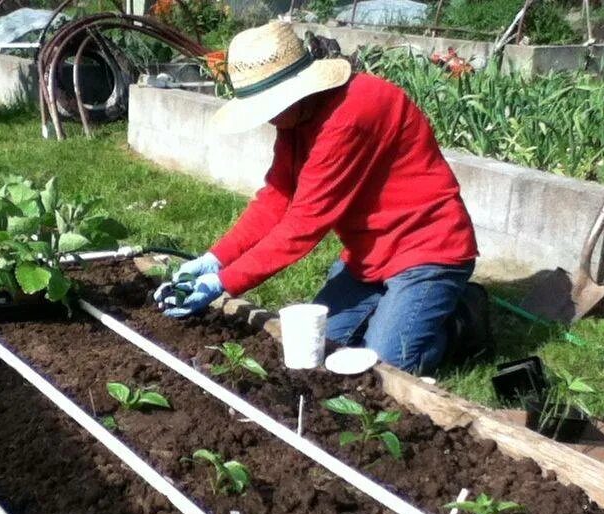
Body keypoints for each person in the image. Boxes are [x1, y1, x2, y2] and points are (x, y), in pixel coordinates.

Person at [155, 21, 482, 374]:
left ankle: (459, 317)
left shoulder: (350, 116)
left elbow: (303, 225)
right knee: (322, 348)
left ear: (297, 90)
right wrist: (215, 259)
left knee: (384, 365)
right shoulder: (295, 120)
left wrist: (225, 283)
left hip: (428, 248)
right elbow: (275, 199)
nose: (267, 119)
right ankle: (405, 307)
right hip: (367, 256)